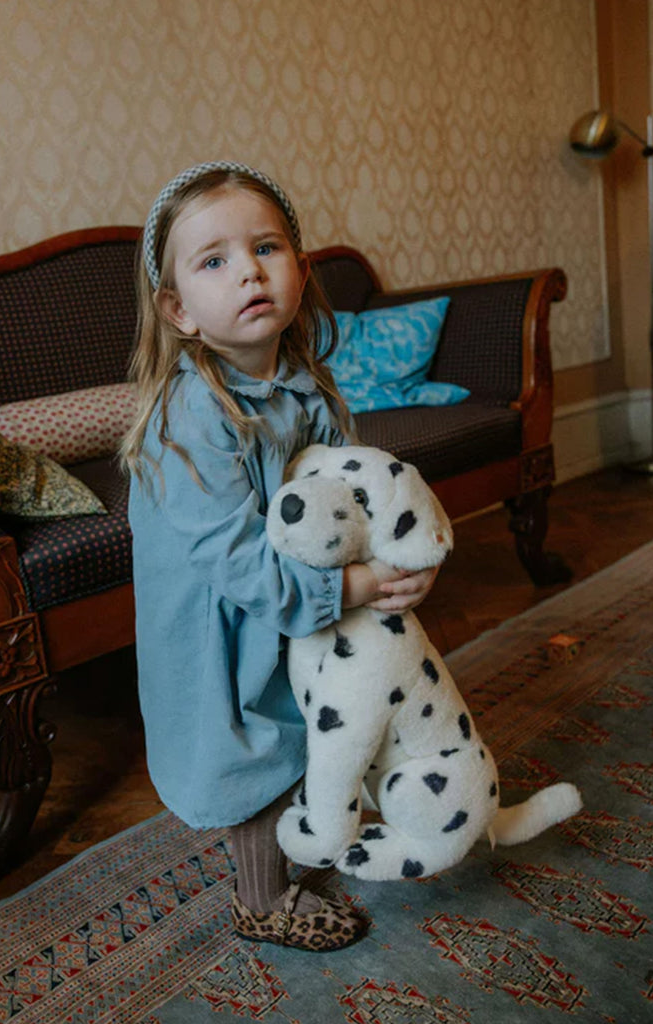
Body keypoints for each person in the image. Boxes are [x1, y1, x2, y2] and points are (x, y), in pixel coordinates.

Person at [122, 161, 438, 951]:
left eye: (266, 247)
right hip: (217, 616)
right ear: (179, 309)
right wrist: (350, 589)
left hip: (290, 592)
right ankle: (261, 898)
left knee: (312, 718)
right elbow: (230, 561)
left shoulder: (307, 384)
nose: (249, 271)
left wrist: (397, 556)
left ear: (299, 267)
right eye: (214, 261)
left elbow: (352, 494)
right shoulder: (189, 414)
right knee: (252, 743)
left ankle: (321, 828)